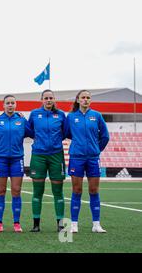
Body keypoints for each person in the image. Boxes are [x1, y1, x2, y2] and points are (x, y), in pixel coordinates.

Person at [64, 90, 109, 233]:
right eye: (83, 97)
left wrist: (96, 149)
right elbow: (66, 133)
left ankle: (96, 224)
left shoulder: (97, 116)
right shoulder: (71, 117)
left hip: (93, 158)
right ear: (78, 100)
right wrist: (79, 145)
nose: (85, 100)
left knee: (93, 190)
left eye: (88, 98)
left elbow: (105, 136)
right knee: (76, 190)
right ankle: (74, 224)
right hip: (76, 157)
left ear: (90, 100)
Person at [0, 95, 32, 233]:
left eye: (12, 103)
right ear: (3, 105)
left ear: (16, 105)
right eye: (7, 103)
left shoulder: (21, 120)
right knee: (1, 191)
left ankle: (16, 223)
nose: (10, 105)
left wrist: (25, 119)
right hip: (0, 159)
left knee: (16, 191)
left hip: (16, 159)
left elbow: (32, 133)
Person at [27, 90, 67, 233]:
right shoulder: (34, 114)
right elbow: (29, 131)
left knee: (58, 191)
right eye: (46, 98)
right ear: (41, 100)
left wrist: (54, 142)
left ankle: (61, 224)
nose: (48, 100)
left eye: (51, 98)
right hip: (38, 155)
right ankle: (36, 225)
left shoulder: (61, 115)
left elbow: (65, 132)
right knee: (38, 191)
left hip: (56, 155)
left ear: (54, 99)